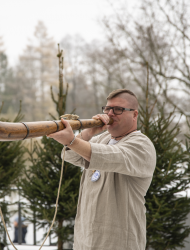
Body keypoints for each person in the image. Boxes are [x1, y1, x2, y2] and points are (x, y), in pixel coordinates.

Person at [47, 89, 156, 250]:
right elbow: (72, 155)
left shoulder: (141, 144)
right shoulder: (103, 138)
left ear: (134, 114)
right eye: (107, 109)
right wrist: (89, 132)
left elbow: (110, 156)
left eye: (118, 109)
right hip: (86, 240)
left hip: (118, 242)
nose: (110, 114)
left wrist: (71, 140)